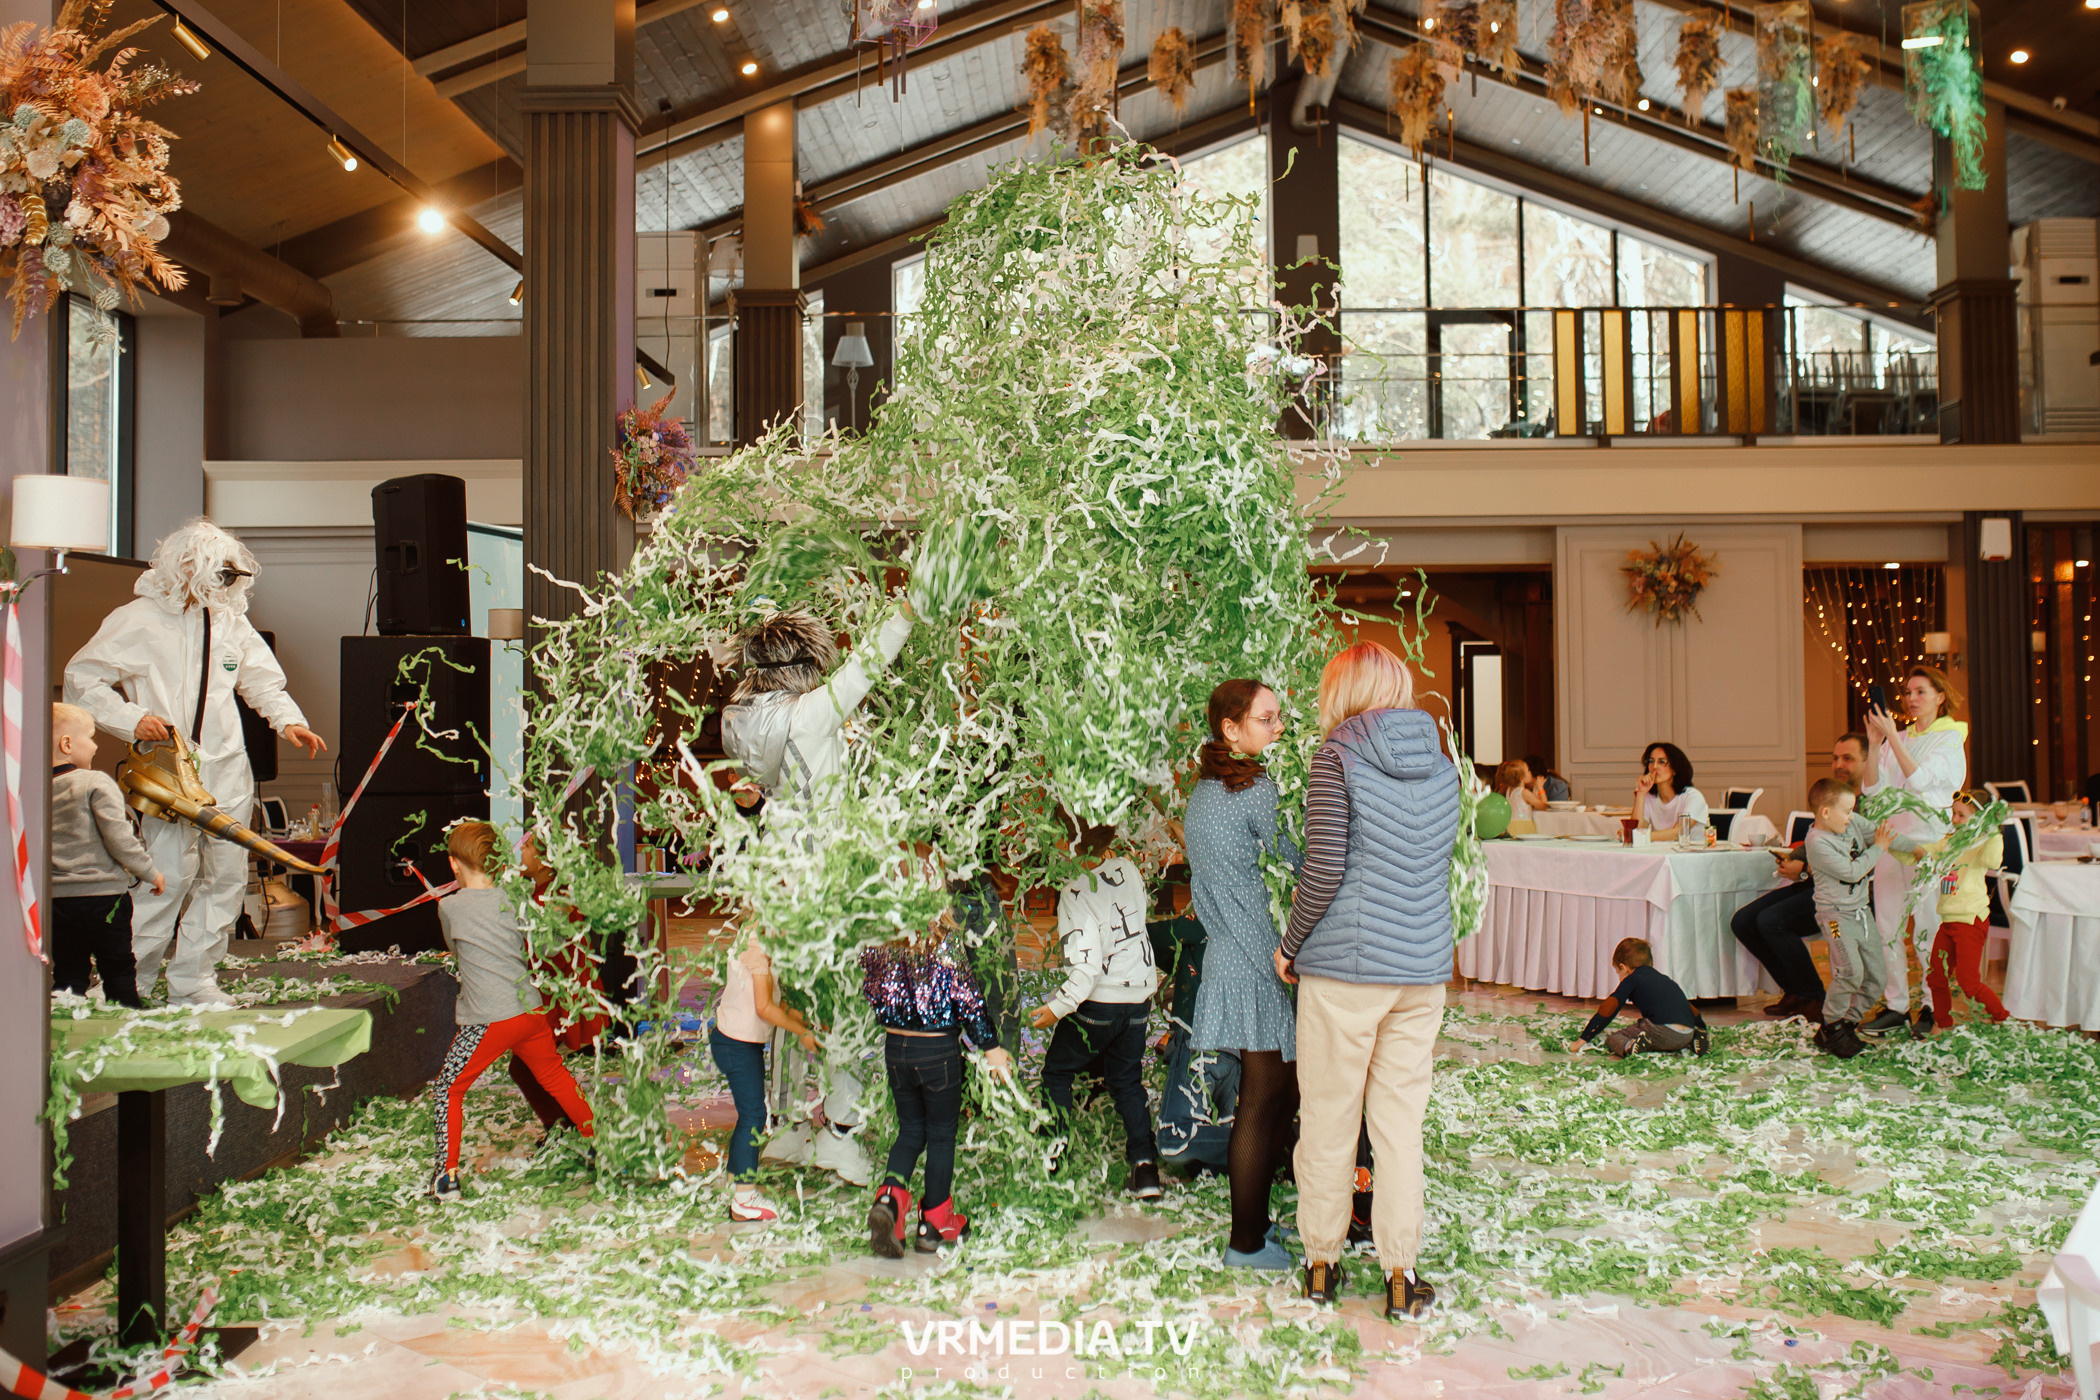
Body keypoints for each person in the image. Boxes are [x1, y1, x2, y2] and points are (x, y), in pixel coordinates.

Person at [65, 519, 327, 1006]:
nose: (224, 587)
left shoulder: (227, 620)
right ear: (185, 566)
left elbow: (261, 680)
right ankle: (129, 984)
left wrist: (287, 721)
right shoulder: (137, 620)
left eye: (231, 577)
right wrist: (133, 717)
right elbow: (83, 679)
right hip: (169, 768)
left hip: (227, 764)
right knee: (166, 875)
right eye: (217, 575)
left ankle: (194, 981)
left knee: (225, 877)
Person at [1278, 641, 1460, 1322]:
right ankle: (1401, 1275)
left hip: (1346, 968)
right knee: (1400, 1129)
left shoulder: (1336, 757)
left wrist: (1290, 946)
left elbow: (1323, 870)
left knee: (1327, 1121)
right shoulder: (1444, 766)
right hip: (1420, 969)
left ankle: (1321, 1265)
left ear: (1342, 691)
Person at [721, 602, 918, 1185]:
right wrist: (907, 612)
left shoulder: (736, 718)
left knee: (798, 1001)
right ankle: (840, 1134)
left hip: (780, 877)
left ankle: (787, 1123)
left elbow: (753, 795)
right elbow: (869, 664)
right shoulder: (808, 714)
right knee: (849, 1011)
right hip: (830, 881)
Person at [1183, 679, 1302, 1268]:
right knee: (1262, 1100)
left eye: (1278, 718)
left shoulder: (1203, 790)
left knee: (1277, 1094)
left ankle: (1256, 1225)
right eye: (1267, 719)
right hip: (1258, 958)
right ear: (1232, 729)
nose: (1278, 727)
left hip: (1228, 952)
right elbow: (1297, 859)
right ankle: (1246, 1243)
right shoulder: (1256, 787)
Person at [428, 822, 595, 1200]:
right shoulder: (516, 899)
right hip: (530, 1011)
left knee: (448, 1090)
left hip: (490, 1016)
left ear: (454, 864)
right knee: (554, 1076)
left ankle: (446, 1178)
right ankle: (601, 1143)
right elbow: (541, 944)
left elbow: (456, 952)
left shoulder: (449, 906)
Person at [861, 920, 1014, 1256]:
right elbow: (967, 997)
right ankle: (934, 1222)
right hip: (937, 1050)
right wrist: (991, 1047)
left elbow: (871, 990)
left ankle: (889, 1198)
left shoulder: (877, 938)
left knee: (911, 1130)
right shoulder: (942, 941)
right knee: (942, 1134)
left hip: (896, 1048)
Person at [1033, 834, 1163, 1200]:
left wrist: (1056, 1007)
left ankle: (1054, 1161)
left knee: (1057, 1072)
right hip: (1139, 997)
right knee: (1127, 1081)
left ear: (1067, 845)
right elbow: (1141, 917)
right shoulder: (1127, 868)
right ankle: (1145, 1168)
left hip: (1099, 1003)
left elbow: (1087, 967)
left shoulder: (1074, 892)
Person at [1730, 732, 1871, 1022]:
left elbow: (1850, 857)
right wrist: (1794, 858)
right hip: (1815, 883)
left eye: (1847, 758)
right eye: (1835, 758)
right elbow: (1815, 841)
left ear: (1867, 763)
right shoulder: (1833, 797)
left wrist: (1804, 868)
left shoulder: (1867, 805)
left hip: (1842, 894)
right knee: (1742, 921)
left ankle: (1812, 996)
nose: (1838, 764)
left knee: (1771, 921)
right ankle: (1795, 990)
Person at [1858, 666, 1968, 1036]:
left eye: (1921, 691)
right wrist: (1876, 742)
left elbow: (1921, 781)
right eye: (1907, 692)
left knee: (1927, 928)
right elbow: (1872, 790)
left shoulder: (1950, 738)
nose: (1911, 698)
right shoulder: (1895, 738)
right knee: (1887, 926)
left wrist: (1893, 737)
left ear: (1940, 696)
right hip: (1891, 840)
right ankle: (1896, 1005)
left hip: (1928, 843)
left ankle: (1931, 1005)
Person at [49, 702, 162, 1007]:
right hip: (104, 899)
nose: (96, 744)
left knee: (69, 970)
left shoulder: (37, 789)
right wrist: (149, 871)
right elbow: (119, 838)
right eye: (90, 736)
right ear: (67, 744)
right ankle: (127, 1015)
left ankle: (66, 1023)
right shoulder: (95, 782)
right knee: (117, 968)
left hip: (57, 901)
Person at [711, 932, 821, 1222]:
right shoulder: (758, 942)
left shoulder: (757, 934)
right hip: (737, 1045)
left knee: (749, 1113)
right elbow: (764, 1007)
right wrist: (802, 1032)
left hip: (738, 1042)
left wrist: (803, 1021)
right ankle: (744, 1198)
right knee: (754, 1116)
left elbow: (775, 1002)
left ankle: (736, 1180)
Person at [1889, 789, 2007, 1034]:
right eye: (1954, 813)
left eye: (1961, 815)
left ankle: (2002, 1016)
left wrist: (1993, 830)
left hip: (1970, 921)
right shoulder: (1949, 842)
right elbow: (1921, 854)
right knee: (1936, 976)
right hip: (1949, 921)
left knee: (1968, 983)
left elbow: (1994, 861)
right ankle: (1942, 1024)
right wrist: (1889, 844)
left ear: (1979, 820)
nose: (1954, 819)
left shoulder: (1982, 844)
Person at [1802, 779, 1895, 1060]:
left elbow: (1886, 834)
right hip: (1835, 918)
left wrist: (1919, 851)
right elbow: (1853, 872)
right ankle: (1831, 1026)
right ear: (1826, 813)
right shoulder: (1817, 842)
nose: (1852, 816)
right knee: (1850, 973)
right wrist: (1878, 848)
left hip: (1861, 913)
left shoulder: (1849, 823)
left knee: (1877, 978)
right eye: (1847, 810)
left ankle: (1847, 1023)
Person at [1571, 938, 1708, 1058]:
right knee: (1671, 1023)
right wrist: (1701, 1028)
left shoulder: (1631, 979)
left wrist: (1583, 1039)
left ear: (1623, 968)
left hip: (1663, 1033)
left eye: (1617, 972)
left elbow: (1609, 1009)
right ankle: (1697, 1038)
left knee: (1613, 1038)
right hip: (1687, 1034)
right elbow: (1689, 1007)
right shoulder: (1664, 979)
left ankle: (1630, 1046)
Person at [1634, 742, 1708, 836]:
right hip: (1663, 850)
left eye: (1661, 762)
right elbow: (1636, 829)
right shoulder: (1649, 797)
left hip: (1693, 850)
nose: (1654, 767)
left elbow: (1679, 833)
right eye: (1651, 761)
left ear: (1674, 769)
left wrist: (1642, 836)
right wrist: (1641, 793)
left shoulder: (1693, 796)